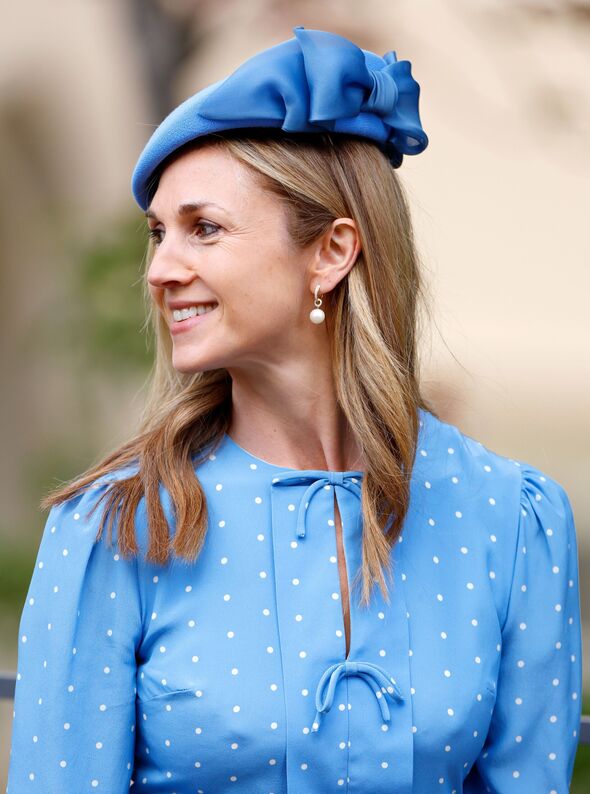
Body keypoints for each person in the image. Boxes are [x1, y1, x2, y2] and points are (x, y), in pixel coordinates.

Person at [6, 25, 582, 794]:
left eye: (203, 229)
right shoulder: (116, 527)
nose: (160, 270)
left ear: (332, 252)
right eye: (157, 234)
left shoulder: (511, 520)